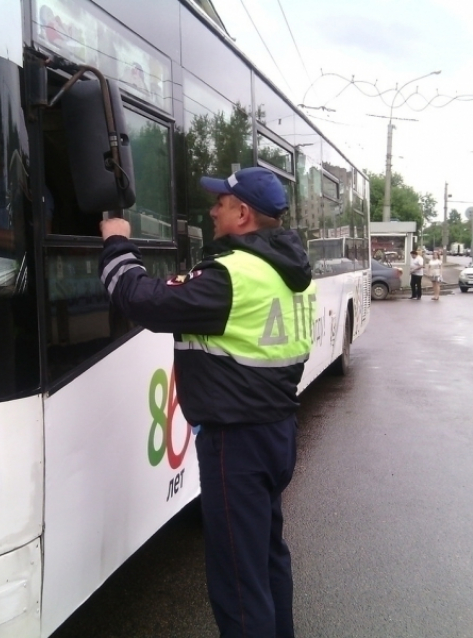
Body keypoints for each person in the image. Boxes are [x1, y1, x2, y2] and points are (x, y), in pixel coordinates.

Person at [99, 166, 315, 637]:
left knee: (238, 578)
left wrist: (117, 242)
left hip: (236, 445)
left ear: (243, 214)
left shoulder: (230, 276)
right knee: (266, 555)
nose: (212, 209)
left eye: (220, 202)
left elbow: (139, 298)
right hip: (278, 433)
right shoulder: (291, 272)